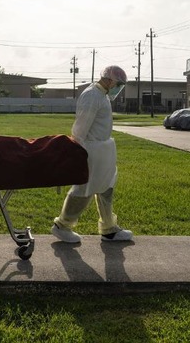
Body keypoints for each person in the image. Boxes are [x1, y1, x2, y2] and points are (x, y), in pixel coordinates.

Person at [51, 65, 134, 243]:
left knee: (106, 187)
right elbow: (80, 128)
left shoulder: (102, 95)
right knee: (84, 189)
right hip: (91, 151)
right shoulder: (92, 96)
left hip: (103, 151)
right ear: (110, 80)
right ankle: (62, 226)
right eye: (118, 84)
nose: (119, 89)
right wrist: (77, 152)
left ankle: (109, 229)